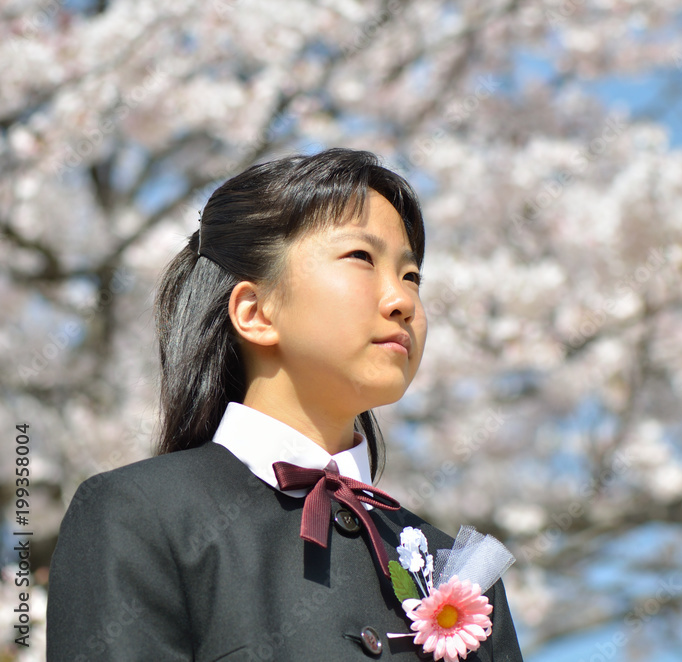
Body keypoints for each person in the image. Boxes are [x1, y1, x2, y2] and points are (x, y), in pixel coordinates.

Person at [46, 148, 523, 661]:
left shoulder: (460, 572)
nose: (403, 301)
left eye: (412, 277)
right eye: (361, 258)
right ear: (255, 312)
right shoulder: (140, 516)